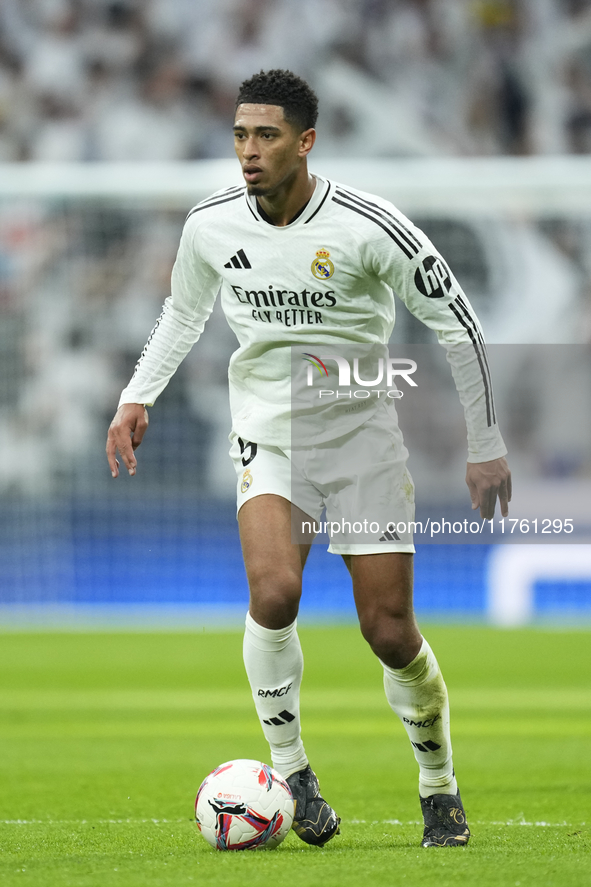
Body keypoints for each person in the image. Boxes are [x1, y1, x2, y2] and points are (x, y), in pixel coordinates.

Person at [106, 69, 511, 849]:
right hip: (270, 426)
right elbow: (182, 313)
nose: (248, 151)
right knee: (274, 589)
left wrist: (484, 443)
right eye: (238, 135)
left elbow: (457, 322)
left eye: (265, 136)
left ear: (305, 142)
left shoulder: (368, 226)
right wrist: (137, 394)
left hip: (361, 434)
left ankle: (437, 785)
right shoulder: (211, 225)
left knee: (388, 629)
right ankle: (292, 774)